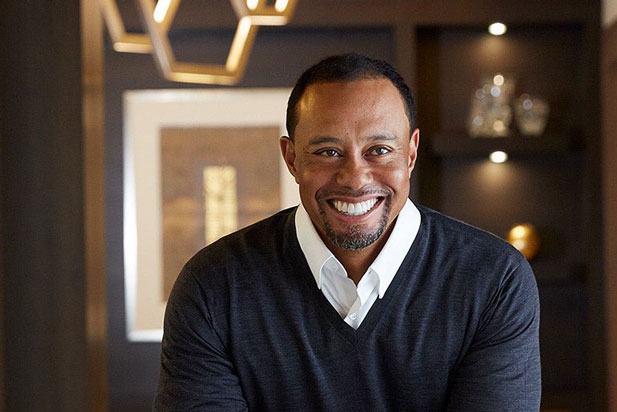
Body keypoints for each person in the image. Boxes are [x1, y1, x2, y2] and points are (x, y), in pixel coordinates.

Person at [153, 53, 541, 411]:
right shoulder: (213, 285)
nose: (354, 178)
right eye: (328, 152)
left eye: (379, 150)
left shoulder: (494, 278)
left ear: (410, 153)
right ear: (292, 158)